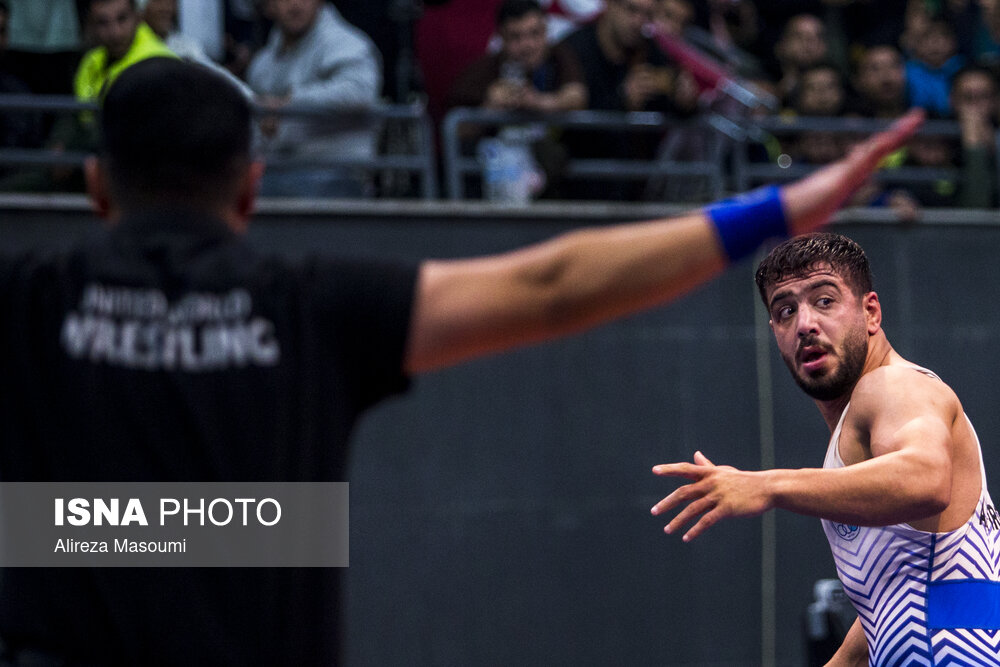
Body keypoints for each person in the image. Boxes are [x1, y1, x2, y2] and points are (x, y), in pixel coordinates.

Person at [0, 58, 922, 665]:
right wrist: (779, 207)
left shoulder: (30, 298)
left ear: (95, 185)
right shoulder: (308, 304)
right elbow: (553, 284)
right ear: (251, 186)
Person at [651, 232, 1000, 665]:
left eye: (824, 301)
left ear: (871, 312)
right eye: (785, 310)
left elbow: (926, 480)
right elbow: (900, 593)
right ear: (775, 332)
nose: (805, 324)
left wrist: (769, 485)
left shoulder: (894, 385)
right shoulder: (860, 424)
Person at [246, 0, 382, 198]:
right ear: (269, 6)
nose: (295, 4)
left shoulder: (347, 43)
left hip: (340, 172)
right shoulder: (262, 63)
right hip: (276, 170)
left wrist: (290, 103)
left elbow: (360, 92)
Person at [446, 0, 587, 113]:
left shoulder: (559, 55)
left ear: (546, 30)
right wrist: (489, 106)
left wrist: (538, 102)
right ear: (501, 37)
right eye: (515, 36)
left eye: (535, 33)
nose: (527, 45)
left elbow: (577, 96)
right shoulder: (485, 68)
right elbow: (457, 127)